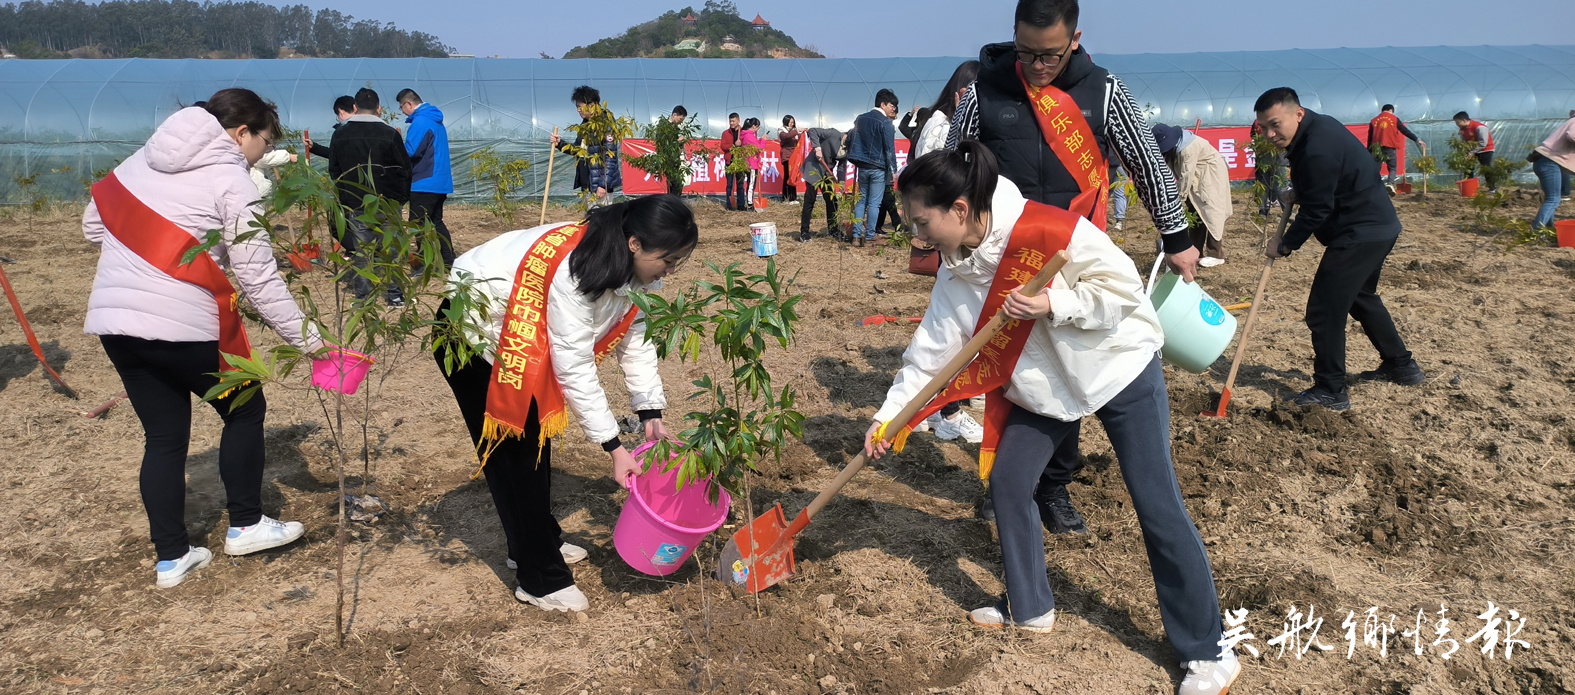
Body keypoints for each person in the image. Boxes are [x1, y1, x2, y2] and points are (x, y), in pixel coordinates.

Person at [868, 143, 1235, 694]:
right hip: (1044, 391)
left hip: (1118, 368)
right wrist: (890, 419)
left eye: (922, 223)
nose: (917, 237)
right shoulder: (955, 271)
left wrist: (1055, 306)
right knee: (1011, 483)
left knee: (1156, 502)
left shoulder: (1046, 231)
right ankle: (1030, 606)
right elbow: (930, 354)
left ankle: (1207, 653)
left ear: (961, 210)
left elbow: (1124, 291)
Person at [946, 0, 1199, 531]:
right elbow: (954, 164)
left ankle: (1055, 487)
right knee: (1010, 371)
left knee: (1073, 368)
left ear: (1076, 38)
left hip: (1077, 256)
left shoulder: (1104, 90)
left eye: (1051, 56)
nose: (1039, 66)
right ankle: (1007, 482)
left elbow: (1147, 161)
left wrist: (1176, 235)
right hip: (1003, 258)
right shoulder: (983, 92)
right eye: (1027, 53)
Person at [83, 88, 321, 589]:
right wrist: (312, 343)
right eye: (264, 139)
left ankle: (172, 557)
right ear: (241, 133)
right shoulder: (229, 176)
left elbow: (92, 225)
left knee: (165, 438)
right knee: (245, 409)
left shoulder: (141, 159)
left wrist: (144, 258)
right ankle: (247, 524)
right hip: (182, 324)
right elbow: (258, 279)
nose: (262, 149)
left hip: (116, 324)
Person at [438, 195, 696, 612]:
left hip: (518, 335)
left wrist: (650, 412)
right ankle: (539, 577)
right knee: (515, 458)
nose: (669, 272)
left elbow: (636, 338)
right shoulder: (577, 271)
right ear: (635, 244)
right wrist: (613, 447)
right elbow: (574, 366)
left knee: (531, 450)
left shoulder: (632, 269)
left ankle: (539, 541)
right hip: (474, 334)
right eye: (667, 260)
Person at [1257, 87, 1423, 411]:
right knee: (1361, 298)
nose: (1269, 133)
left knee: (1323, 310)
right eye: (1263, 127)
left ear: (1298, 114)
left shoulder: (1316, 147)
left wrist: (1286, 244)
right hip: (1377, 226)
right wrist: (1299, 191)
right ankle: (1401, 366)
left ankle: (1331, 390)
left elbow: (1318, 209)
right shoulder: (1317, 130)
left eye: (1275, 124)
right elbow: (1331, 183)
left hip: (1360, 233)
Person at [327, 88, 413, 305]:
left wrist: (345, 198)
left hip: (356, 204)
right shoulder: (390, 134)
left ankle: (364, 298)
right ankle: (395, 295)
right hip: (387, 203)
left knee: (362, 251)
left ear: (354, 108)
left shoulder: (340, 134)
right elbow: (404, 169)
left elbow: (335, 170)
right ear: (379, 109)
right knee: (391, 250)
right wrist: (400, 199)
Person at [1153, 123, 1232, 266]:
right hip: (1197, 179)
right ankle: (1195, 251)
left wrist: (1177, 199)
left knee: (1211, 211)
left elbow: (1186, 175)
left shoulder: (1188, 148)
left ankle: (1216, 253)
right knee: (1194, 212)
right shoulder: (1174, 150)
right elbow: (1168, 174)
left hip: (1210, 176)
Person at [397, 89, 456, 267]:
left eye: (401, 107)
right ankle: (448, 262)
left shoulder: (421, 121)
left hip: (424, 182)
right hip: (440, 181)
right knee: (435, 222)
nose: (402, 112)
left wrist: (397, 142)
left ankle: (424, 264)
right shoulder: (434, 119)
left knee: (418, 223)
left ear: (409, 104)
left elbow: (411, 151)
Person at [549, 86, 622, 209]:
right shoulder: (585, 125)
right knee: (590, 220)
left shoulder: (605, 124)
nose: (578, 110)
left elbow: (610, 156)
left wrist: (603, 184)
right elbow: (578, 150)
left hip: (599, 186)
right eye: (576, 107)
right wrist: (560, 143)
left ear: (592, 105)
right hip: (588, 183)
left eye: (580, 106)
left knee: (600, 222)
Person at [847, 89, 899, 246]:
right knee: (874, 203)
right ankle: (869, 237)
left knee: (862, 200)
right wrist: (894, 171)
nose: (894, 109)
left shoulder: (860, 119)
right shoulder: (885, 123)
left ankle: (856, 236)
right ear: (882, 104)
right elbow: (889, 149)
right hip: (878, 167)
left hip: (862, 167)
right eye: (892, 105)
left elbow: (850, 139)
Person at [1528, 112, 1575, 231]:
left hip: (1545, 161)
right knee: (1553, 199)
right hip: (1548, 162)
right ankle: (1537, 231)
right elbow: (1571, 135)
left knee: (1552, 198)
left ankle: (1549, 228)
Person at [798, 126, 846, 242]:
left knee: (832, 201)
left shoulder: (850, 147)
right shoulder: (833, 133)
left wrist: (841, 183)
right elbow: (812, 131)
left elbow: (842, 166)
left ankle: (833, 229)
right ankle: (804, 232)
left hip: (826, 171)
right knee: (810, 200)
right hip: (813, 168)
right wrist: (817, 148)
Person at [1367, 104, 1426, 189]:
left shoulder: (1373, 120)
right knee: (1392, 167)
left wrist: (1369, 151)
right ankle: (1390, 184)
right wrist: (1416, 139)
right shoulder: (1394, 119)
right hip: (1390, 146)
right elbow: (1404, 131)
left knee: (1376, 168)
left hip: (1377, 148)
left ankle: (1373, 186)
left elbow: (1370, 137)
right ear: (1391, 110)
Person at [305, 95, 355, 160]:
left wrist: (314, 147)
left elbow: (335, 155)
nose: (339, 120)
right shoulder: (368, 128)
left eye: (338, 117)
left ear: (341, 112)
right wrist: (314, 147)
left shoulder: (341, 132)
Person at [1453, 111, 1496, 181]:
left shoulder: (1480, 127)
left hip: (1485, 150)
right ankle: (1469, 186)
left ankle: (1492, 188)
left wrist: (1472, 152)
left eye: (1458, 122)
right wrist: (1462, 136)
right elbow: (1465, 142)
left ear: (1464, 120)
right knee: (1468, 168)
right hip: (1473, 151)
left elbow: (1483, 143)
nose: (1457, 124)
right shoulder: (1463, 129)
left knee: (1486, 169)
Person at [719, 113, 747, 211]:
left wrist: (741, 144)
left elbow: (748, 145)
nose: (731, 123)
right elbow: (723, 146)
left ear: (738, 121)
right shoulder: (726, 133)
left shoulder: (743, 132)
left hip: (740, 161)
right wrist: (733, 145)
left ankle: (741, 204)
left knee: (740, 184)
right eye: (730, 121)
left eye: (733, 121)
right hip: (729, 161)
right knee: (729, 184)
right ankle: (730, 205)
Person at [740, 118, 764, 211]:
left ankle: (749, 202)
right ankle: (750, 204)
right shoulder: (749, 136)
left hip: (747, 162)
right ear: (754, 126)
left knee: (750, 183)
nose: (758, 129)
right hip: (751, 163)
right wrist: (763, 140)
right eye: (758, 127)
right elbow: (759, 147)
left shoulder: (745, 135)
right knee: (751, 184)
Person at [778, 115, 801, 204]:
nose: (792, 124)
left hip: (794, 156)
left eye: (793, 122)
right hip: (787, 155)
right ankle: (785, 197)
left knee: (793, 176)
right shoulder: (781, 130)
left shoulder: (795, 131)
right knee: (787, 175)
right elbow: (785, 136)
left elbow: (799, 139)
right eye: (790, 122)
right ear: (786, 122)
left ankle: (793, 198)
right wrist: (796, 131)